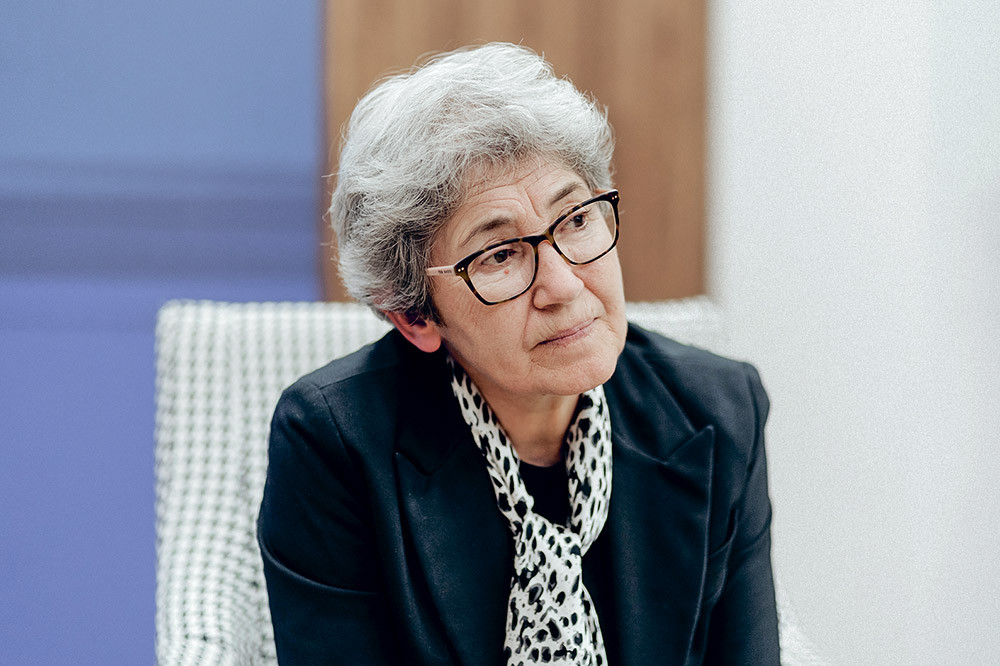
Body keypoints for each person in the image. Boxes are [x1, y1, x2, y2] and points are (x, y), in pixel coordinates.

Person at [257, 43, 779, 665]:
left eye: (576, 219)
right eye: (500, 254)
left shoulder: (719, 410)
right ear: (415, 316)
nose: (564, 286)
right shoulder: (335, 443)